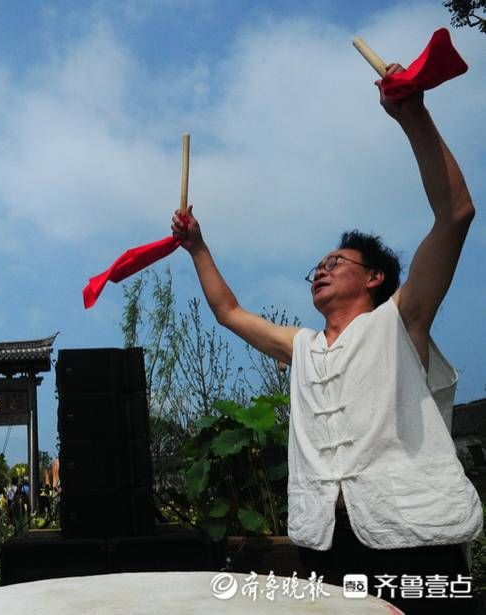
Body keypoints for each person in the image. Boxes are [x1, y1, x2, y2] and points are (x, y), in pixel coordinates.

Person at [171, 62, 479, 613]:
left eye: (336, 262)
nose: (321, 270)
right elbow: (228, 311)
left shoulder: (400, 322)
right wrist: (197, 247)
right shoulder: (303, 347)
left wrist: (413, 116)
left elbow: (454, 213)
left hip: (411, 538)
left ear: (375, 278)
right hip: (328, 544)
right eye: (316, 265)